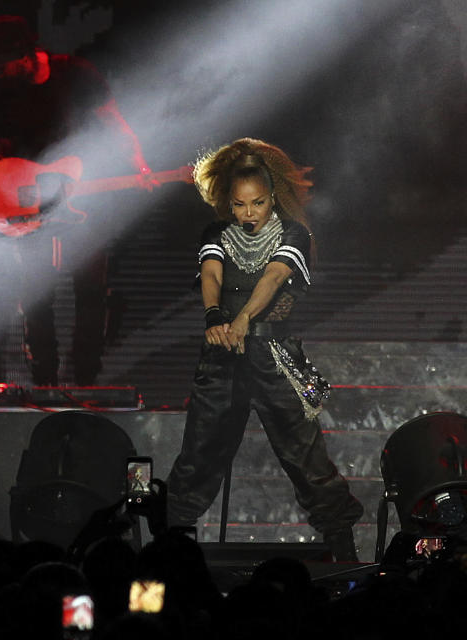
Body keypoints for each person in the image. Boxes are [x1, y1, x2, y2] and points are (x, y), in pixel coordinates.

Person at [165, 138, 363, 561]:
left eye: (256, 203)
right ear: (227, 201)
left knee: (307, 459)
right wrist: (214, 316)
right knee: (199, 455)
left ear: (272, 196)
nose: (248, 213)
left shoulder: (295, 232)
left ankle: (345, 562)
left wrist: (242, 322)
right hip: (222, 362)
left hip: (277, 360)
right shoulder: (215, 233)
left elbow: (273, 278)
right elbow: (211, 275)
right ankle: (170, 562)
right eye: (239, 204)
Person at [0, 14, 154, 386]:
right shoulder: (5, 92)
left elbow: (115, 122)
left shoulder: (76, 74)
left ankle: (86, 381)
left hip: (82, 195)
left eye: (1, 63)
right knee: (36, 292)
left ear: (24, 54)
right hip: (30, 203)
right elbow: (3, 152)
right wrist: (5, 201)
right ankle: (44, 380)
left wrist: (139, 164)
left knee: (89, 290)